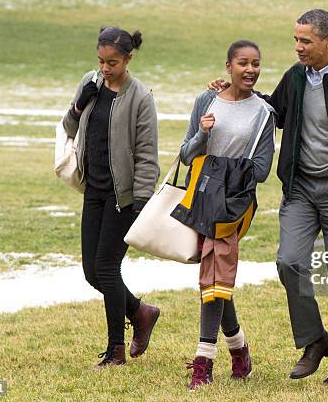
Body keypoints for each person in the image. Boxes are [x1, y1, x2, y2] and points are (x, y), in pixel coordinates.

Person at [209, 9, 328, 385]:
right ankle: (315, 340)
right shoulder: (295, 78)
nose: (298, 47)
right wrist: (235, 93)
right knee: (289, 262)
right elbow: (273, 112)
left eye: (306, 41)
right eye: (296, 40)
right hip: (301, 190)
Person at [61, 26, 161, 369]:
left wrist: (142, 202)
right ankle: (141, 312)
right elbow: (69, 127)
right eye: (101, 61)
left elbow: (148, 155)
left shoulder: (141, 98)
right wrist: (78, 105)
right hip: (94, 191)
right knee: (92, 273)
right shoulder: (91, 82)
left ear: (128, 59)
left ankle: (116, 350)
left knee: (106, 266)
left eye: (112, 62)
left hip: (126, 197)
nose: (105, 68)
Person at [179, 40, 276, 391]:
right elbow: (187, 154)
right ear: (228, 66)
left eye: (256, 63)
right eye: (243, 63)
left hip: (234, 204)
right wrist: (203, 135)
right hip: (201, 198)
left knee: (214, 271)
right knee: (216, 272)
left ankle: (203, 363)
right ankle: (239, 351)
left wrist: (223, 169)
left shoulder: (264, 112)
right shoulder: (206, 101)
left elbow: (263, 169)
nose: (250, 69)